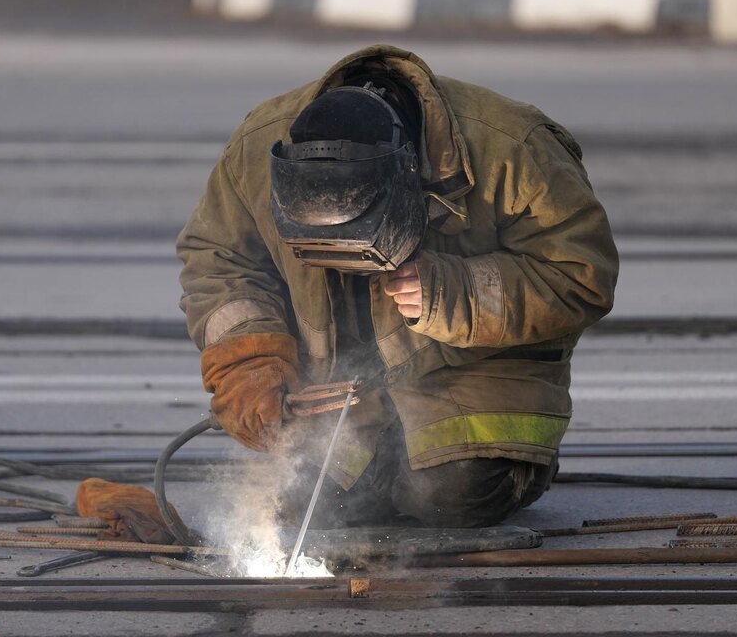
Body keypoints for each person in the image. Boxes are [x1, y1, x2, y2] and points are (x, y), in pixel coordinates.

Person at [177, 45, 618, 529]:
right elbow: (221, 262)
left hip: (471, 381)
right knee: (309, 508)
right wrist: (251, 360)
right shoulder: (255, 149)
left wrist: (453, 292)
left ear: (409, 176)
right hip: (340, 394)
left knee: (451, 498)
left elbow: (581, 274)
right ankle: (372, 471)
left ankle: (513, 470)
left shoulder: (513, 147)